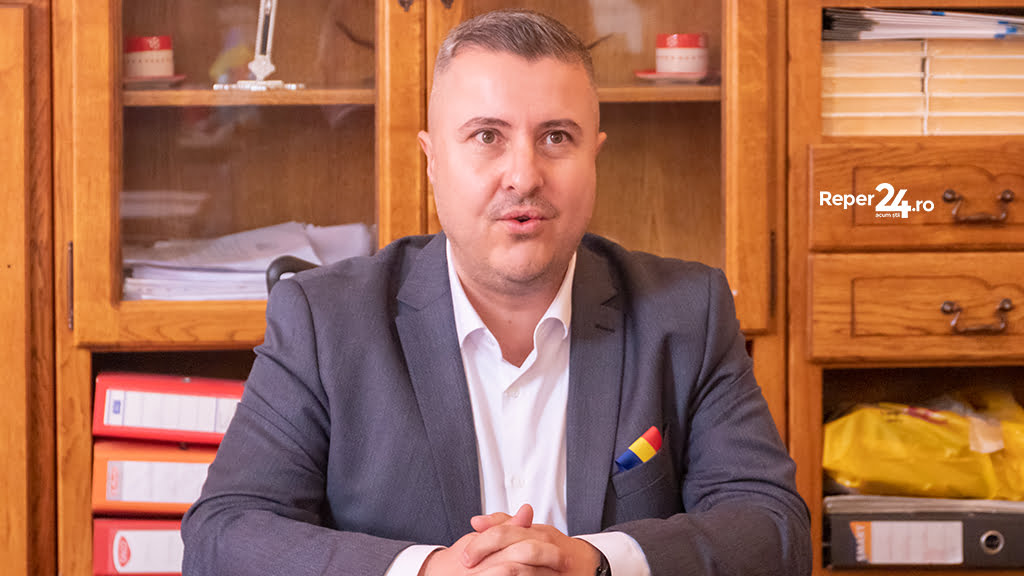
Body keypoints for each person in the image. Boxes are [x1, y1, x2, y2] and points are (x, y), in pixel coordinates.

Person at [182, 9, 810, 576]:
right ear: (432, 160)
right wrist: (428, 573)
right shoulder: (325, 319)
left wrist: (598, 561)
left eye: (556, 137)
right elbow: (223, 536)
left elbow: (774, 530)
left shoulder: (688, 311)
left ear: (594, 156)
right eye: (487, 135)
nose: (524, 176)